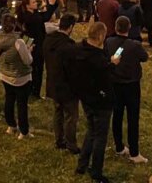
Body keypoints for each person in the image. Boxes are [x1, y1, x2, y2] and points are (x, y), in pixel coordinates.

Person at [70, 21, 120, 182]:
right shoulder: (97, 58)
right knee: (100, 137)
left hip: (85, 99)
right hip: (101, 102)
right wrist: (112, 64)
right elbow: (104, 79)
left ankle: (82, 165)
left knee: (91, 131)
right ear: (99, 36)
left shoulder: (78, 50)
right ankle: (96, 171)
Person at [105, 16, 149, 164]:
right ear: (129, 27)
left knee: (117, 116)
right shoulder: (134, 45)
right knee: (132, 118)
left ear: (116, 27)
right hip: (131, 85)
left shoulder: (109, 42)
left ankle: (119, 146)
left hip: (115, 84)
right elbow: (145, 58)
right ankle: (134, 152)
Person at [44, 14, 80, 154]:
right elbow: (73, 69)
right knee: (71, 116)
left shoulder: (48, 40)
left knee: (58, 112)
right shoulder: (68, 46)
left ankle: (59, 140)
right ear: (70, 27)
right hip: (66, 87)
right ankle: (71, 144)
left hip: (52, 83)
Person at [0, 14, 34, 139]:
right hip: (20, 76)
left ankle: (11, 125)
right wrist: (29, 50)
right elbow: (27, 60)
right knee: (22, 104)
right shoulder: (18, 41)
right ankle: (24, 131)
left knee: (9, 100)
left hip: (5, 74)